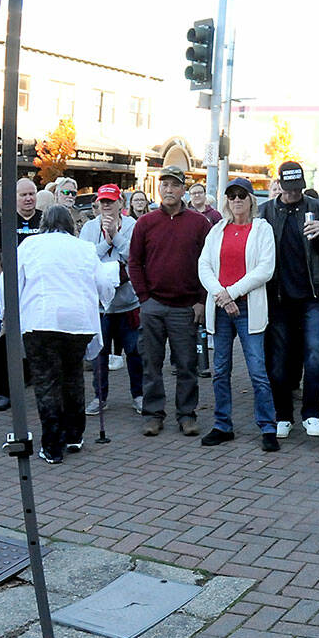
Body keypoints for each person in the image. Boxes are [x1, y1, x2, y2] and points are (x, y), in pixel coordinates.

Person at [14, 205, 116, 464]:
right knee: (72, 376)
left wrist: (8, 314)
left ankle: (52, 445)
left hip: (42, 319)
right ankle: (74, 435)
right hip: (78, 320)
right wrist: (105, 301)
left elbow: (13, 281)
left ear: (44, 222)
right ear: (70, 224)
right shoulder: (83, 247)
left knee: (46, 381)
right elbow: (103, 282)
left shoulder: (30, 244)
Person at [261, 160, 319, 439]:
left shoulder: (318, 207)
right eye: (289, 189)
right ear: (280, 186)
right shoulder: (267, 211)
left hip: (313, 294)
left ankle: (311, 413)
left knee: (314, 353)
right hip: (280, 295)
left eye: (298, 189)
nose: (293, 194)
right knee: (280, 358)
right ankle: (282, 414)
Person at [197, 177, 280, 452]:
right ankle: (223, 424)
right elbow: (204, 265)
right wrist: (222, 295)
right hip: (221, 308)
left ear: (251, 200)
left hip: (247, 308)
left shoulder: (262, 229)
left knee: (257, 370)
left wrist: (230, 292)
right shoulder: (217, 229)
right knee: (220, 369)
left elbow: (265, 269)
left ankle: (268, 426)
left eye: (241, 195)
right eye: (231, 196)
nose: (236, 201)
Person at [127, 165, 209, 437]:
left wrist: (201, 300)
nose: (169, 190)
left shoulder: (199, 224)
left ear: (184, 189)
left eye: (174, 185)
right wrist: (144, 298)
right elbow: (134, 263)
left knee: (187, 365)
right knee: (151, 363)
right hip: (153, 306)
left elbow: (208, 264)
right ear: (159, 189)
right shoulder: (145, 223)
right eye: (165, 185)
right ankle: (153, 415)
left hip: (186, 307)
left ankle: (187, 415)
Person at [80, 184, 143, 415]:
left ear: (120, 204)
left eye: (110, 202)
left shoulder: (133, 226)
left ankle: (139, 395)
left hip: (128, 303)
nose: (106, 206)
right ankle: (99, 397)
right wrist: (106, 242)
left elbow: (134, 255)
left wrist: (115, 237)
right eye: (102, 202)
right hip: (99, 305)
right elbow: (86, 258)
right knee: (99, 353)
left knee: (135, 352)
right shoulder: (88, 227)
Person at [0, 176, 45, 411]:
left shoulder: (44, 219)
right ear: (14, 197)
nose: (29, 198)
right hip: (12, 293)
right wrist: (4, 284)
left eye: (32, 194)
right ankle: (4, 391)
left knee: (39, 340)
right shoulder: (5, 221)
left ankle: (40, 387)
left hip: (38, 293)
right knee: (6, 341)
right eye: (23, 195)